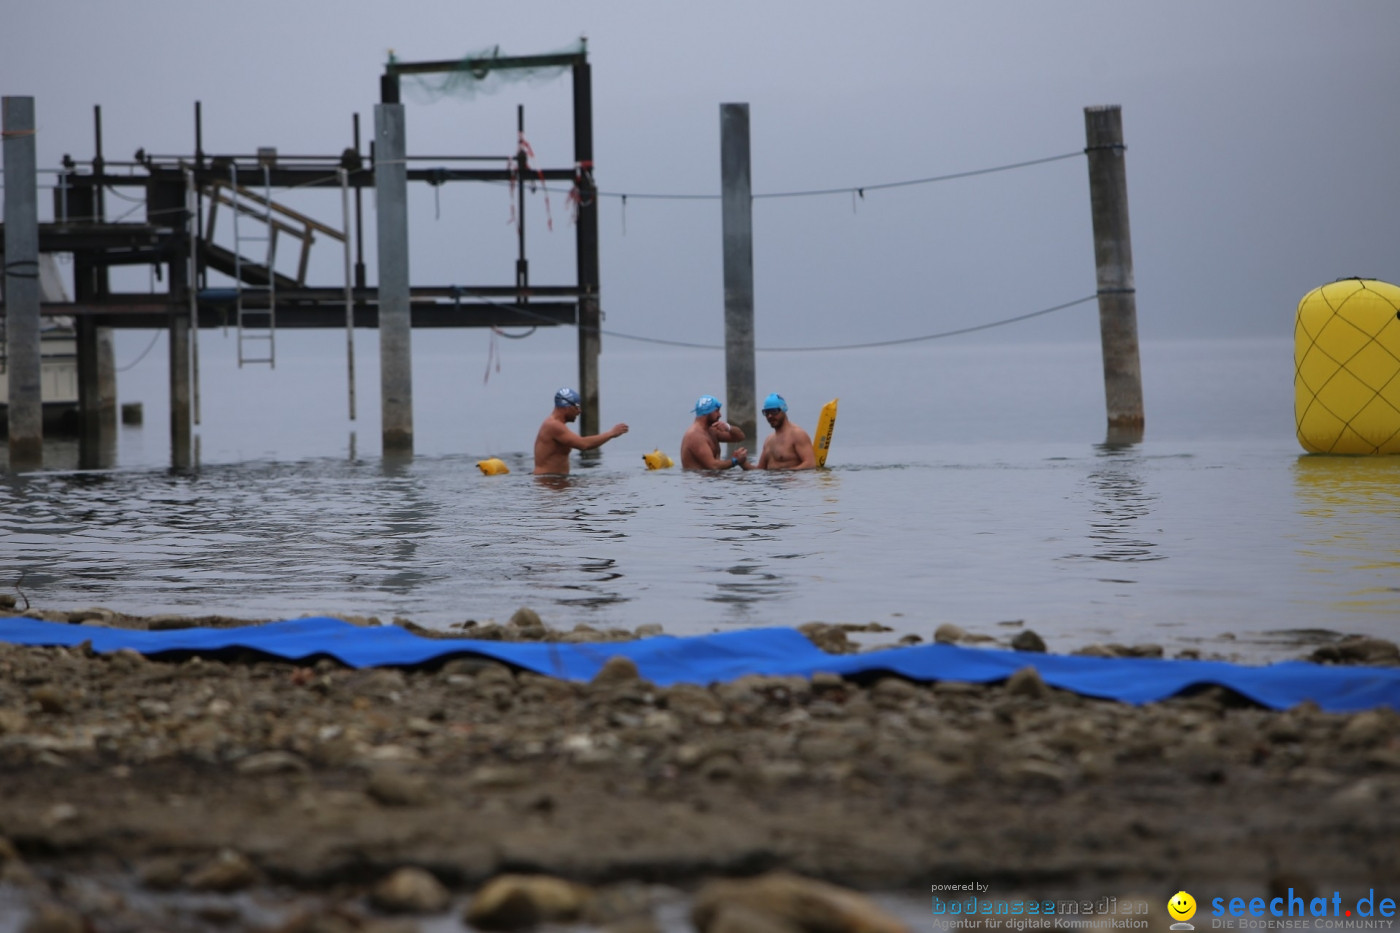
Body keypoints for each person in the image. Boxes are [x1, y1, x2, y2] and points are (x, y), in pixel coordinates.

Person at [532, 388, 628, 475]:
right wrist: (611, 433)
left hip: (554, 482)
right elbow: (583, 444)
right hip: (547, 483)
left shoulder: (554, 424)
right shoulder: (553, 425)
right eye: (577, 406)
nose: (579, 411)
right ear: (567, 407)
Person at [680, 395, 750, 470]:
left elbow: (740, 437)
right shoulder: (695, 436)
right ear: (707, 412)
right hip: (699, 481)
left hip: (712, 479)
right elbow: (713, 465)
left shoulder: (712, 430)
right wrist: (735, 460)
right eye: (717, 411)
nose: (720, 415)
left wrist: (728, 427)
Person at [756, 393, 816, 471]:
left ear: (783, 409)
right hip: (771, 482)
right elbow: (759, 470)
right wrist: (742, 463)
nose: (770, 416)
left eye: (774, 411)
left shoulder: (797, 434)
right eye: (766, 412)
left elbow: (810, 464)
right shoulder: (768, 440)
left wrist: (786, 473)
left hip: (789, 482)